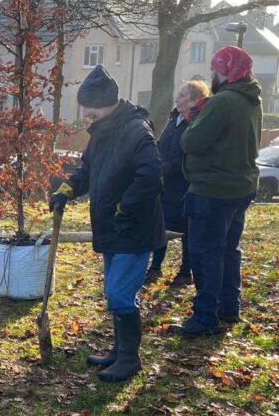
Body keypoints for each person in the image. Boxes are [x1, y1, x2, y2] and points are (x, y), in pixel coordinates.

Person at [48, 65, 164, 382]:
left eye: (91, 108)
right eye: (84, 108)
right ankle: (118, 350)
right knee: (114, 293)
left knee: (120, 294)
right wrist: (65, 190)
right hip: (113, 228)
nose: (86, 114)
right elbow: (86, 170)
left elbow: (152, 176)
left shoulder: (136, 131)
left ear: (109, 103)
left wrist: (124, 207)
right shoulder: (104, 132)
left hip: (132, 228)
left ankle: (130, 359)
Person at [175, 46, 262, 336]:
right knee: (227, 250)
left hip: (213, 189)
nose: (212, 75)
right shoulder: (251, 100)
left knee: (204, 253)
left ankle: (205, 316)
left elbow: (191, 142)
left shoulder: (221, 102)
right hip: (241, 186)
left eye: (215, 70)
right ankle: (228, 306)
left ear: (224, 72)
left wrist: (192, 120)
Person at [145, 79, 209, 286]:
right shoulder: (174, 119)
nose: (177, 98)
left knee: (186, 231)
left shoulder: (198, 123)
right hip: (164, 185)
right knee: (159, 225)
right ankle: (155, 267)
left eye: (182, 95)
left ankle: (185, 272)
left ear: (195, 100)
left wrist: (169, 168)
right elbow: (162, 145)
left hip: (184, 185)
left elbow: (192, 155)